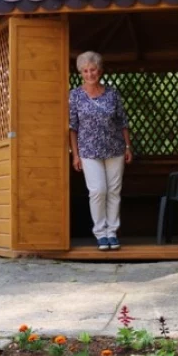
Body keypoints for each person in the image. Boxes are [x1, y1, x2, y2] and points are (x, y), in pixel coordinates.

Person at [69, 51, 132, 250]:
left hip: (115, 149)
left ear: (100, 70)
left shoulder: (112, 93)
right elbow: (72, 126)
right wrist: (75, 154)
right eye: (85, 70)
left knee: (114, 191)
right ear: (81, 72)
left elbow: (123, 122)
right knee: (98, 191)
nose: (90, 74)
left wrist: (128, 146)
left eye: (93, 69)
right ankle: (100, 232)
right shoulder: (75, 95)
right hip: (88, 151)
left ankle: (112, 232)